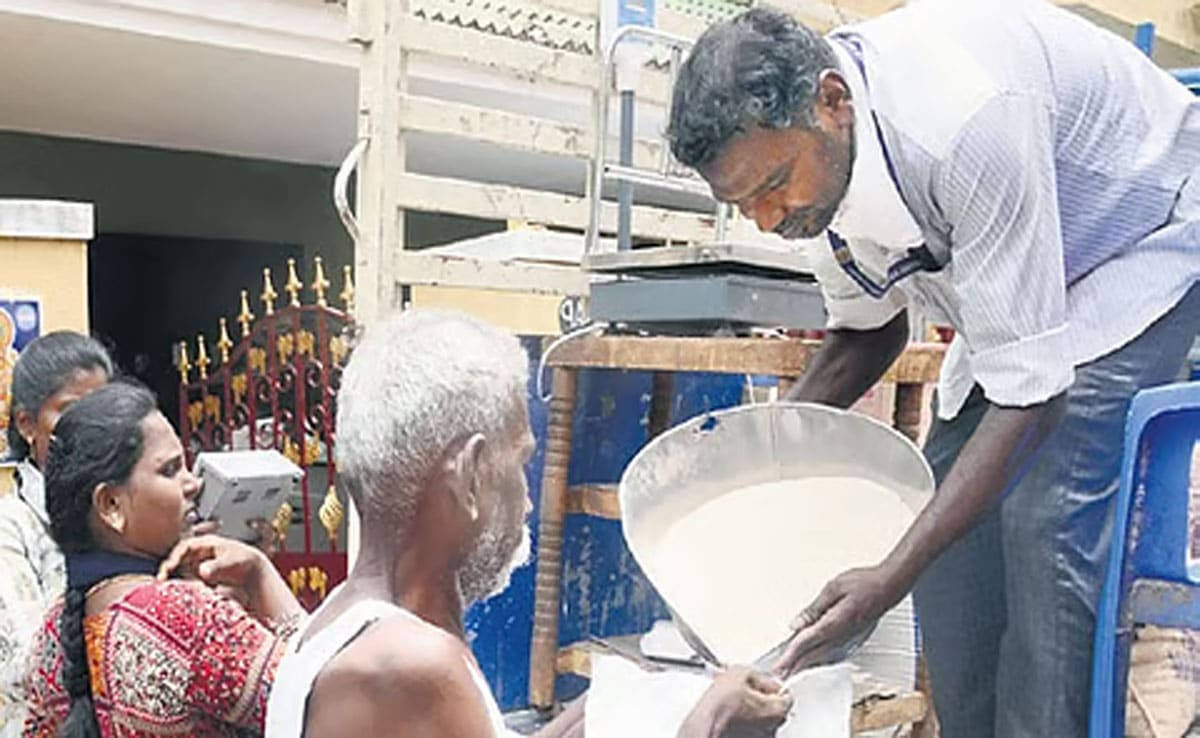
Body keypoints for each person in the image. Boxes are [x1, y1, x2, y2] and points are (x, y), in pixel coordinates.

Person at [667, 3, 1200, 737]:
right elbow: (867, 332)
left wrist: (887, 580)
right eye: (742, 203)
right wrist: (755, 462)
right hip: (1033, 273)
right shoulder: (812, 176)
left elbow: (1036, 400)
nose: (766, 219)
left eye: (772, 187)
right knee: (939, 523)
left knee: (1046, 513)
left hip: (1141, 230)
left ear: (833, 102)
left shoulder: (963, 121)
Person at [264, 309, 793, 738]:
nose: (528, 502)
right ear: (469, 475)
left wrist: (589, 721)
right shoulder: (413, 665)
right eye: (519, 462)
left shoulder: (339, 622)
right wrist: (710, 723)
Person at [22, 382, 304, 737]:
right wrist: (261, 576)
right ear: (111, 505)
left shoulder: (52, 634)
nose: (193, 484)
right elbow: (330, 701)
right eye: (170, 470)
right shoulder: (185, 615)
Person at [0, 332, 112, 736]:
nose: (93, 429)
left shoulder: (123, 514)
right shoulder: (10, 525)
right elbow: (23, 665)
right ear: (28, 424)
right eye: (72, 411)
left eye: (103, 412)